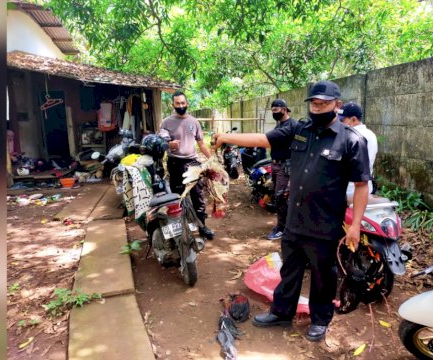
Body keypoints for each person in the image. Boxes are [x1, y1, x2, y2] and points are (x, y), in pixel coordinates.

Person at [212, 81, 371, 342]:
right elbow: (263, 139)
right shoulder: (299, 130)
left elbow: (362, 185)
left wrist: (355, 226)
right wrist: (227, 137)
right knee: (290, 270)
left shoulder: (351, 140)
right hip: (294, 221)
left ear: (337, 105)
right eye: (314, 103)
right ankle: (281, 312)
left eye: (324, 104)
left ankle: (320, 320)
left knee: (322, 276)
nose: (317, 108)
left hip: (324, 224)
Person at [158, 91, 215, 240]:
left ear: (187, 103)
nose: (181, 106)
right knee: (177, 197)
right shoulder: (166, 122)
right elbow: (162, 143)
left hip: (192, 163)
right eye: (178, 103)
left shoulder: (194, 122)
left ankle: (202, 227)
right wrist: (169, 144)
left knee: (198, 196)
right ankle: (181, 228)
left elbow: (201, 143)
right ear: (173, 104)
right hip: (175, 163)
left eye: (183, 103)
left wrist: (212, 159)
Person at [266, 99, 296, 241]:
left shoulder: (291, 125)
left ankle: (282, 228)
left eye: (276, 110)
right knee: (278, 197)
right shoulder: (279, 126)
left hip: (285, 167)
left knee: (281, 197)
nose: (274, 113)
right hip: (276, 165)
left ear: (284, 109)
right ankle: (283, 225)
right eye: (272, 111)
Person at [338, 102, 378, 196]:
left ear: (353, 119)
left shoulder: (351, 136)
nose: (339, 124)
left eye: (342, 120)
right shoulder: (370, 134)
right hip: (365, 187)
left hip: (350, 190)